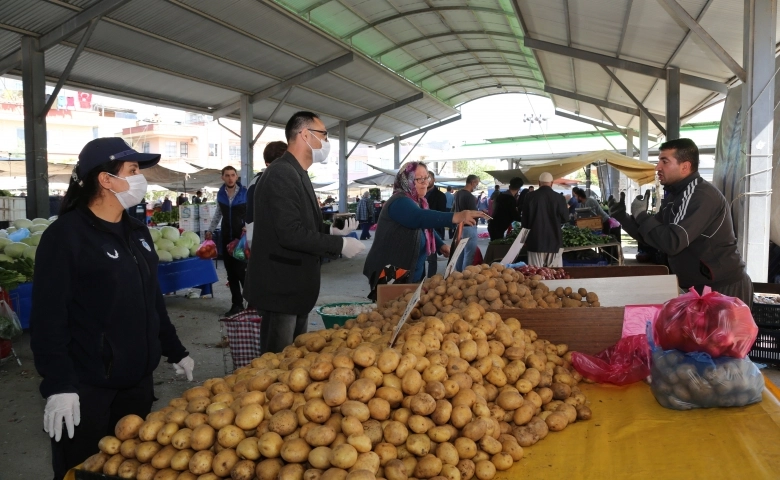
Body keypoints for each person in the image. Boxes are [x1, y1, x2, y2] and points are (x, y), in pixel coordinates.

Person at [29, 137, 194, 480]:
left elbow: (151, 301)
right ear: (105, 179)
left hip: (137, 383)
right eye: (133, 170)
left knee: (128, 468)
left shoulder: (137, 232)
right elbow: (48, 319)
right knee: (84, 469)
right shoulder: (66, 236)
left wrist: (174, 350)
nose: (140, 179)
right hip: (88, 388)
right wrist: (59, 384)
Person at [244, 111, 364, 354]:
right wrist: (338, 246)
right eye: (324, 135)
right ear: (305, 135)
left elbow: (300, 223)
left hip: (296, 288)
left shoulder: (298, 172)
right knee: (278, 363)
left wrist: (331, 229)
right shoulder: (280, 174)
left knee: (293, 360)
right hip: (281, 288)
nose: (326, 143)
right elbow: (289, 233)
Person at [609, 138, 752, 304]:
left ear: (685, 166)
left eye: (665, 161)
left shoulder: (700, 195)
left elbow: (672, 242)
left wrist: (641, 215)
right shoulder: (675, 197)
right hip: (697, 287)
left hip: (722, 289)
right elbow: (654, 238)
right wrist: (622, 216)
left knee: (720, 331)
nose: (658, 167)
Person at [364, 162, 484, 289]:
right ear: (406, 181)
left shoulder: (418, 201)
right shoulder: (399, 201)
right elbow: (418, 217)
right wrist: (456, 216)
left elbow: (424, 228)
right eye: (419, 179)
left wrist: (440, 244)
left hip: (413, 268)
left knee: (409, 304)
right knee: (393, 305)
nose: (425, 182)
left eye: (426, 178)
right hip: (392, 269)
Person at [206, 166, 249, 316]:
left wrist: (247, 227)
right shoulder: (220, 194)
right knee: (231, 273)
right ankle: (237, 304)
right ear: (222, 177)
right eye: (227, 175)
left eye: (232, 175)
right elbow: (218, 213)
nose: (230, 178)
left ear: (236, 177)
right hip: (226, 237)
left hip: (241, 239)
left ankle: (252, 304)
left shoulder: (245, 193)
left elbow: (252, 212)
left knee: (241, 272)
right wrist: (210, 230)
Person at [245, 141, 287, 248]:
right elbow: (250, 220)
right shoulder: (258, 184)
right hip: (266, 249)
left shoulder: (286, 182)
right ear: (268, 164)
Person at [523, 172, 568, 267]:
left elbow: (524, 221)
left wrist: (524, 240)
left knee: (536, 275)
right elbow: (565, 218)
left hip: (535, 241)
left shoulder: (529, 196)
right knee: (555, 275)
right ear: (552, 183)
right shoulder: (559, 198)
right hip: (554, 241)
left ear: (539, 183)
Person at [453, 175, 481, 271]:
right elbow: (472, 213)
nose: (476, 186)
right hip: (469, 227)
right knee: (469, 254)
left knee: (460, 253)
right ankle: (465, 277)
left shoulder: (458, 194)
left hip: (459, 227)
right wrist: (481, 214)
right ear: (472, 182)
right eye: (476, 184)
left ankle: (458, 275)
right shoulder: (469, 196)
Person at [425, 171, 449, 277]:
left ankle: (430, 280)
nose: (427, 180)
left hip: (434, 231)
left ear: (434, 180)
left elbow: (442, 215)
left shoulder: (440, 196)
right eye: (425, 178)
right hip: (419, 231)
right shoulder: (418, 194)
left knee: (431, 259)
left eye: (429, 178)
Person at [488, 177, 523, 241]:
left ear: (510, 186)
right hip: (498, 227)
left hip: (493, 225)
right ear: (519, 188)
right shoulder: (510, 199)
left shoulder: (501, 195)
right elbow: (514, 215)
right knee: (496, 247)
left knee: (494, 246)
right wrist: (524, 219)